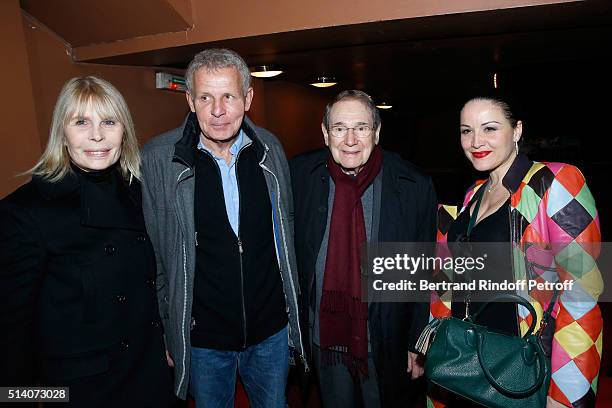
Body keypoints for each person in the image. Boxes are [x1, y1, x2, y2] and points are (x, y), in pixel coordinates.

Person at [140, 48, 305, 407]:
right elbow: (154, 257)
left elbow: (285, 239)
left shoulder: (270, 149)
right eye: (205, 97)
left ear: (247, 98)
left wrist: (291, 319)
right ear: (189, 100)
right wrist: (172, 333)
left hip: (270, 333)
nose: (217, 110)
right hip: (203, 342)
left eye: (228, 96)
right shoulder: (158, 159)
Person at [0, 76, 173, 407]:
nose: (97, 134)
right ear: (62, 133)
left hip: (148, 376)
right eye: (81, 122)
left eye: (109, 121)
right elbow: (11, 332)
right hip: (82, 391)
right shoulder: (25, 212)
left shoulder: (139, 192)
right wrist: (23, 399)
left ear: (125, 130)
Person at [430, 94, 603, 407]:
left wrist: (565, 395)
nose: (475, 140)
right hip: (464, 362)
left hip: (520, 369)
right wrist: (432, 340)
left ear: (518, 130)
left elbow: (583, 294)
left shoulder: (555, 183)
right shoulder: (474, 194)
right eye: (466, 130)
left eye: (490, 128)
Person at [290, 90, 437, 408]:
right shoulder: (300, 176)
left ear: (378, 131)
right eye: (340, 128)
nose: (350, 139)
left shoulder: (412, 185)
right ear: (326, 133)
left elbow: (421, 272)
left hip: (386, 340)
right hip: (324, 340)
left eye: (361, 127)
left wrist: (417, 341)